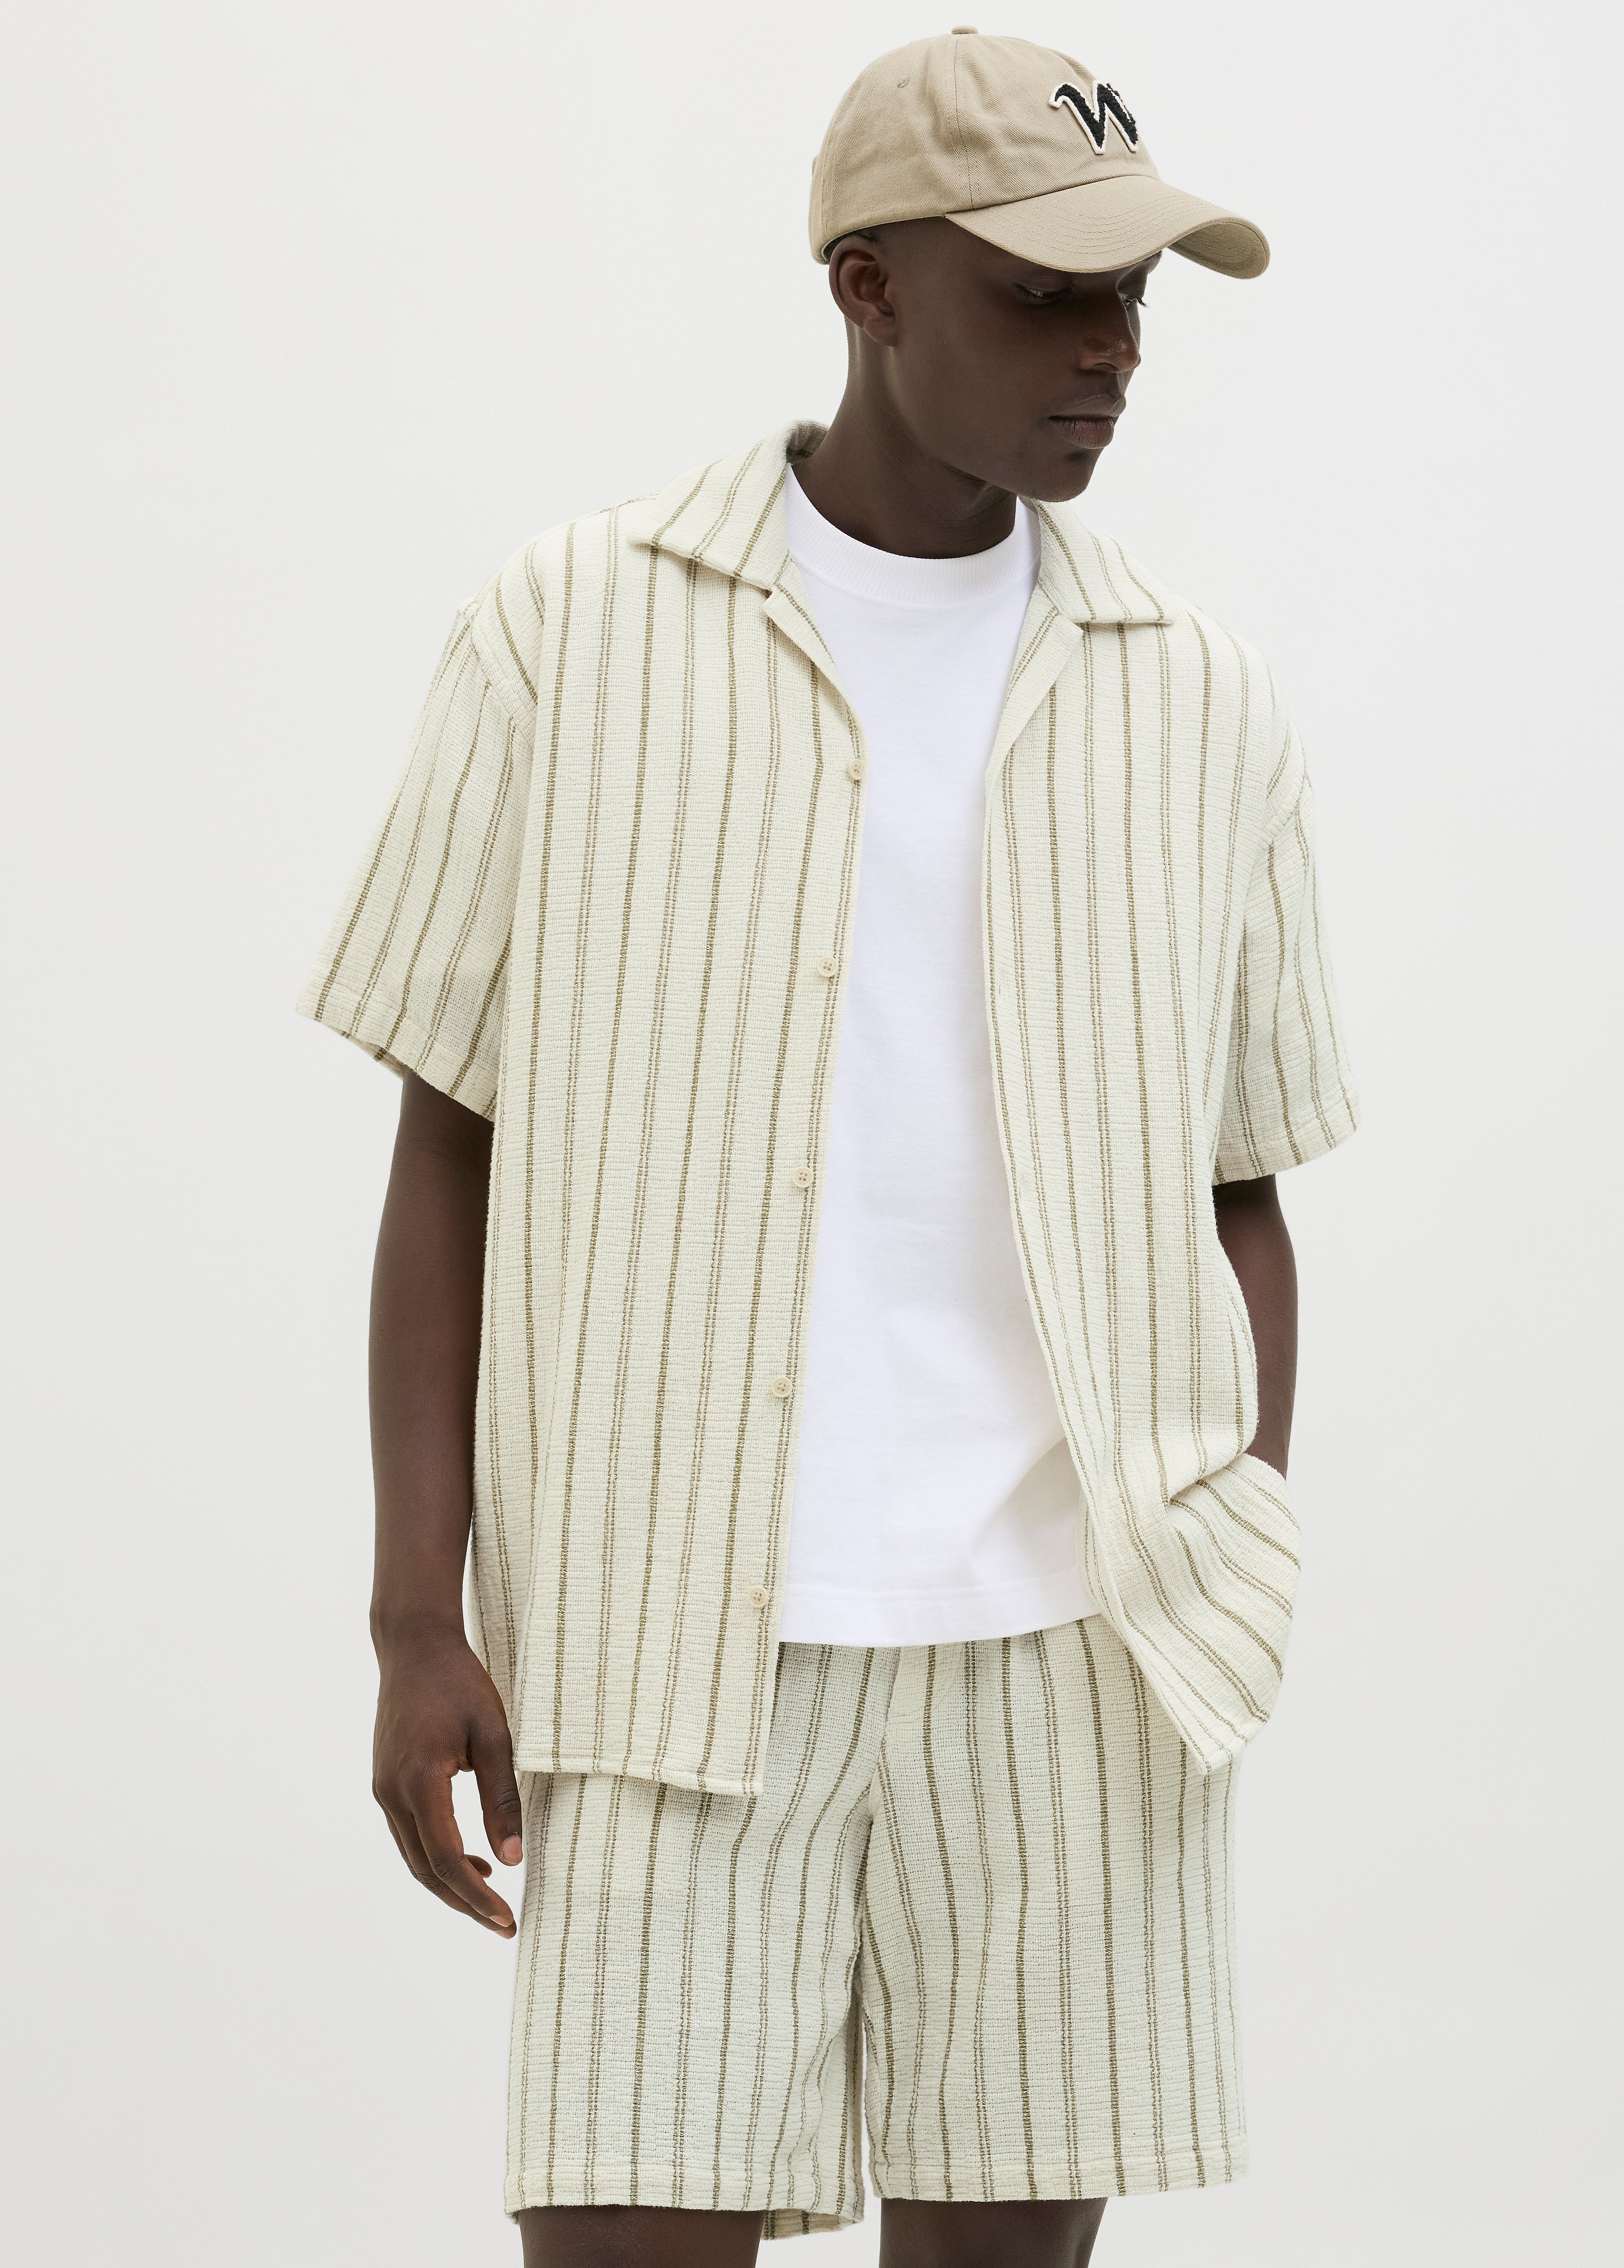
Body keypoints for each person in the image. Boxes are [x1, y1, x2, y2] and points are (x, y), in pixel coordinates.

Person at [299, 27, 1358, 2266]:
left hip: (1077, 1667)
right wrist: (415, 1610)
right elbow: (451, 1138)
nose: (1114, 350)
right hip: (669, 1648)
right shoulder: (571, 633)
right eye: (1046, 295)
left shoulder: (1200, 698)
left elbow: (1244, 1187)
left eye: (1133, 295)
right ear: (867, 286)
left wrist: (1235, 1541)